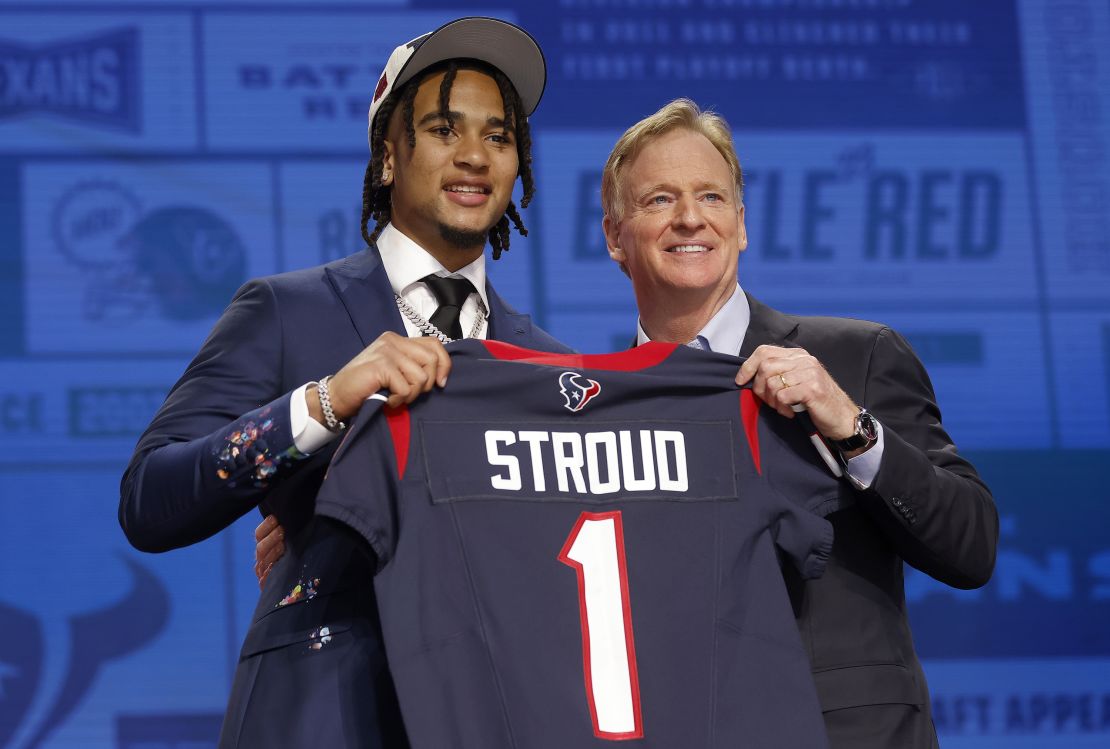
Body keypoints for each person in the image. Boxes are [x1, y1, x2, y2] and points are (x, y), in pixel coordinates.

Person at [119, 17, 569, 748]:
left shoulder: (552, 365)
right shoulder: (286, 311)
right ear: (389, 157)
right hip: (323, 716)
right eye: (444, 128)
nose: (474, 156)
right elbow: (149, 498)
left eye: (498, 135)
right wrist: (324, 405)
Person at [598, 99, 998, 748]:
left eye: (711, 196)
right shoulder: (598, 411)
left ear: (742, 224)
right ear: (616, 235)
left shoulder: (854, 357)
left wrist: (850, 426)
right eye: (660, 200)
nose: (690, 217)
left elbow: (972, 545)